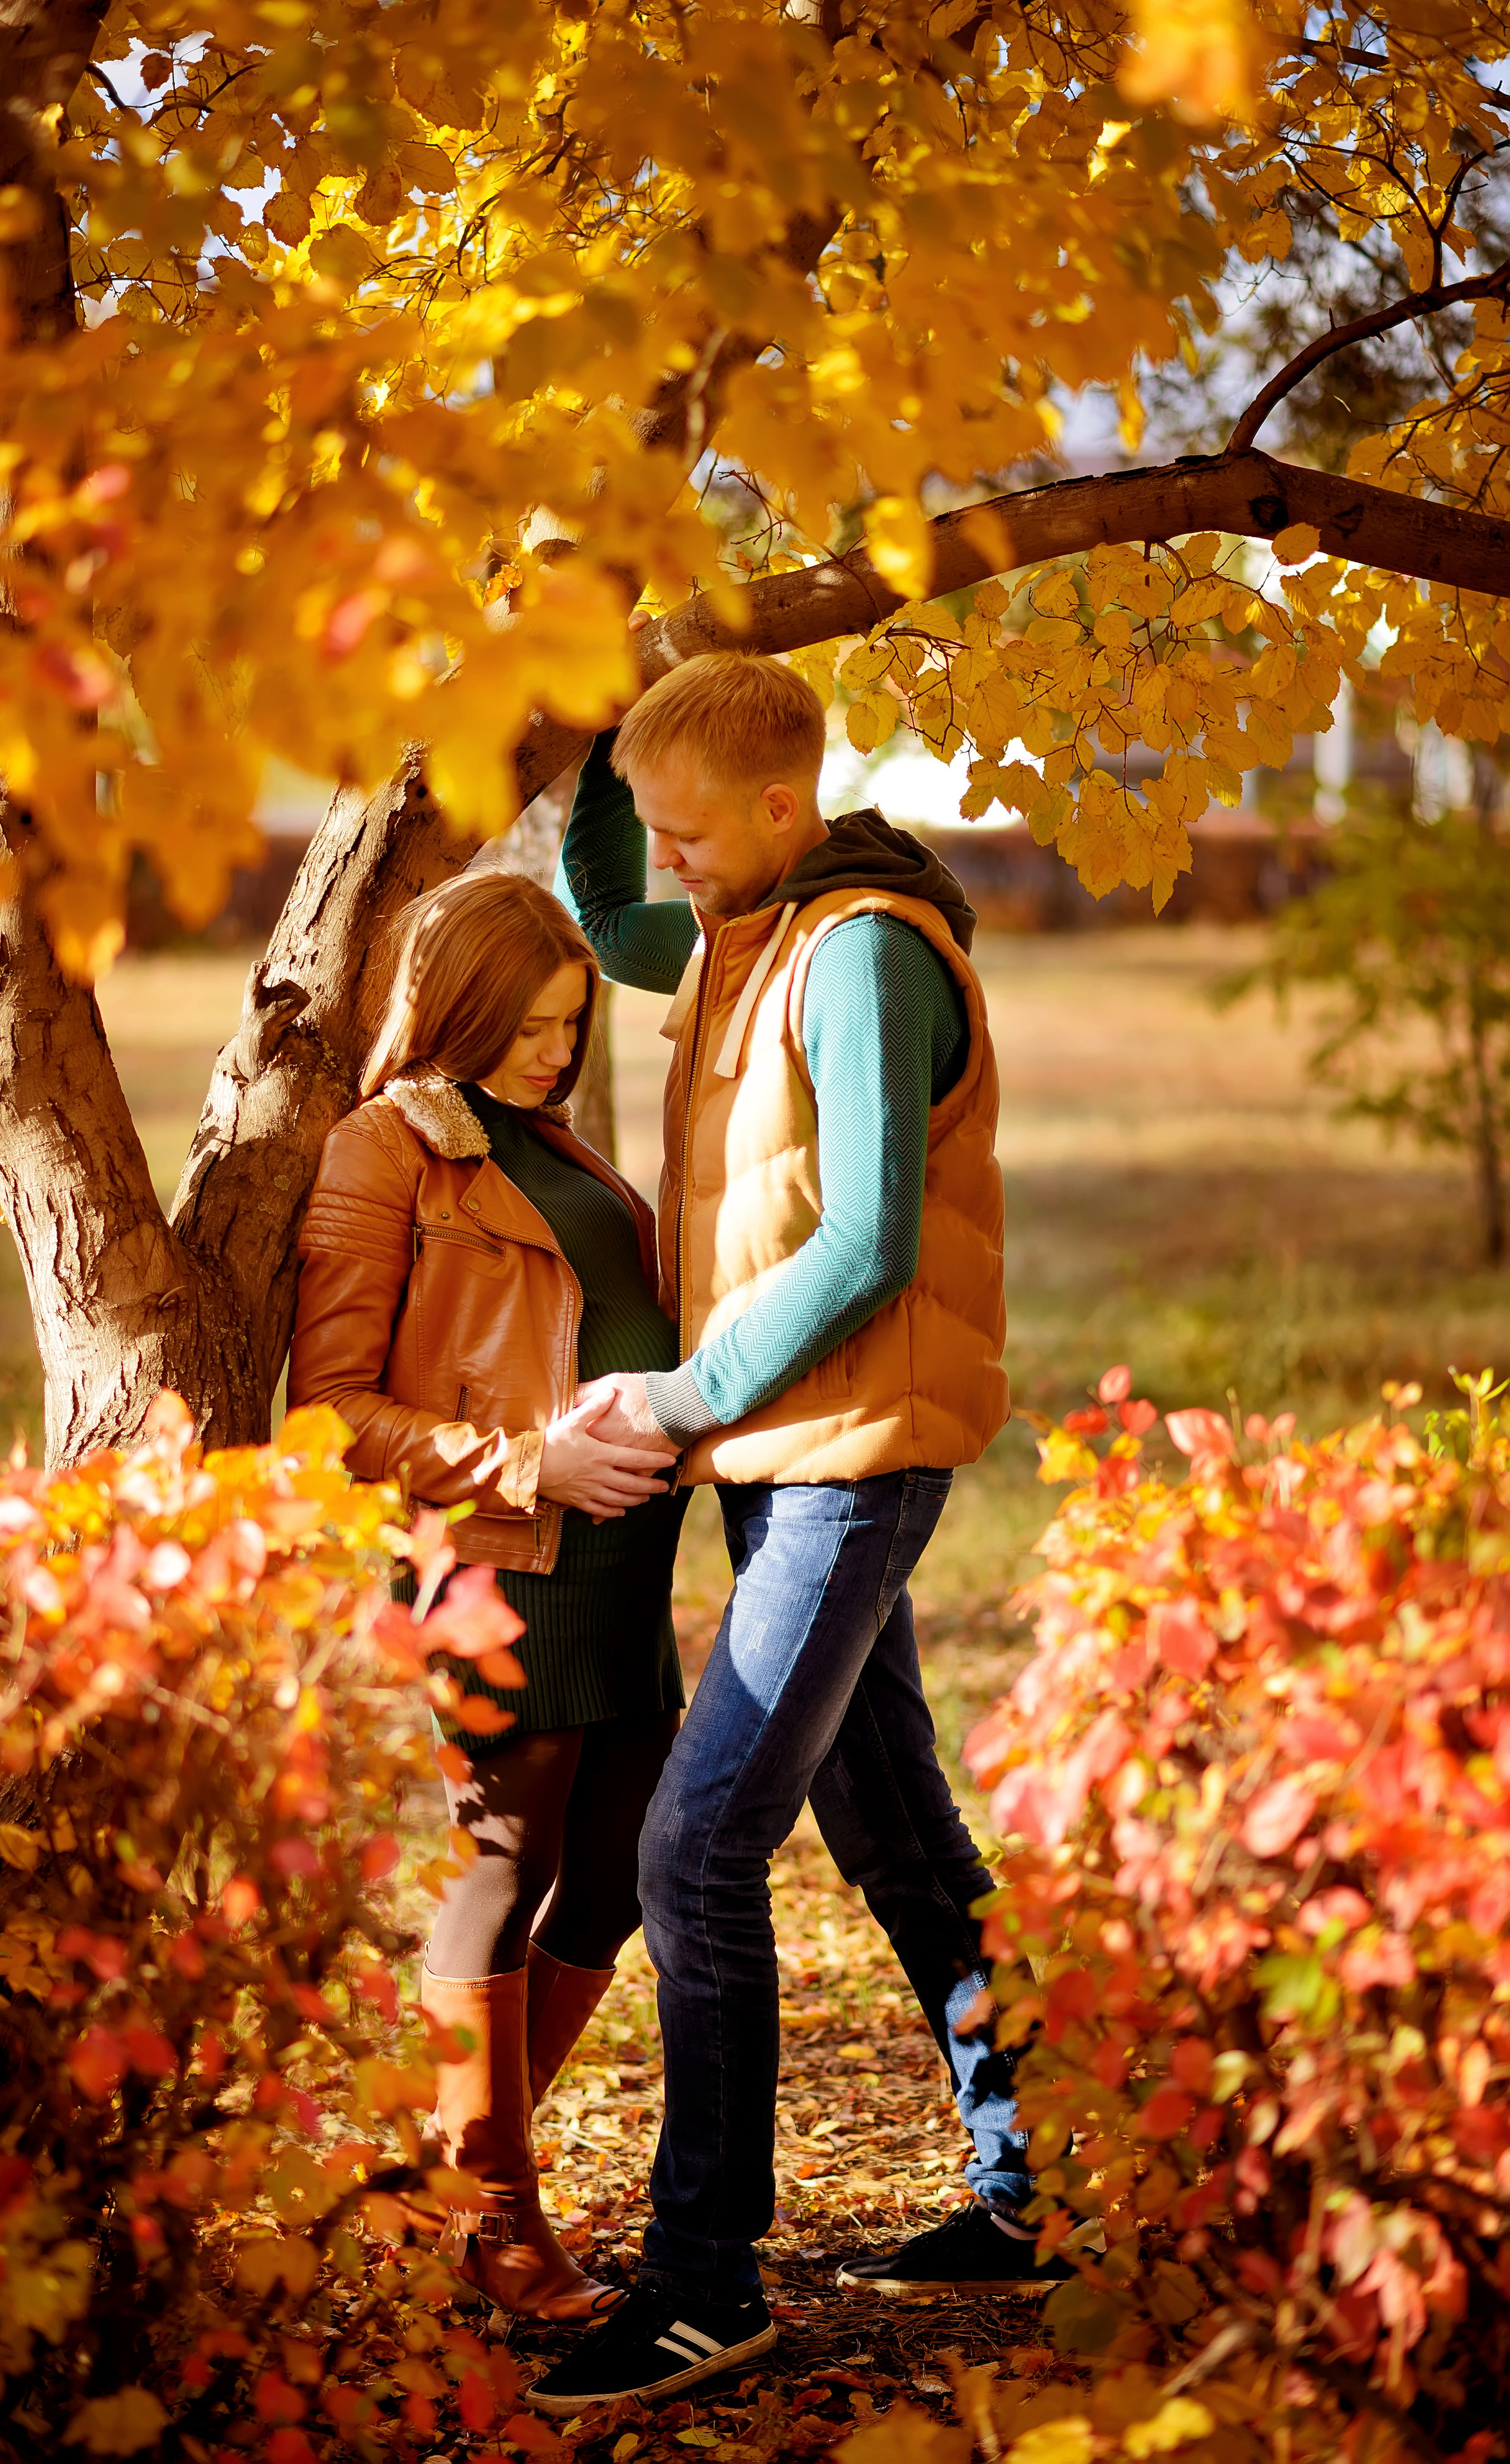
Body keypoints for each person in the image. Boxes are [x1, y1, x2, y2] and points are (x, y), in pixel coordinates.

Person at [526, 651, 1069, 2417]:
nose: (666, 864)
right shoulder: (746, 930)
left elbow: (867, 1249)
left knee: (696, 1854)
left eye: (694, 832)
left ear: (783, 811)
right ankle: (1041, 2175)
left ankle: (703, 2285)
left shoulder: (860, 958)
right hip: (791, 1452)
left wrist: (682, 1396)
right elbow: (607, 908)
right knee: (893, 1821)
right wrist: (606, 719)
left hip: (847, 1455)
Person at [288, 870, 685, 2323]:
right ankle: (497, 2224)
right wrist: (524, 1465)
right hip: (500, 1557)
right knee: (504, 1866)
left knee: (630, 1860)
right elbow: (328, 1411)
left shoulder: (556, 1145)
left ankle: (447, 2182)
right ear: (449, 1008)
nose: (547, 1051)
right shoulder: (384, 1150)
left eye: (568, 1025)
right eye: (520, 1025)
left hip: (624, 1564)